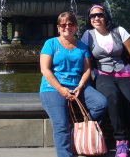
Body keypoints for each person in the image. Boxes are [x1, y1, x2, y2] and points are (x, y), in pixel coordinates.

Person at [81, 5, 130, 157]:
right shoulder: (88, 35)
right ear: (89, 19)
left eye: (99, 15)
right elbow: (84, 61)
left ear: (106, 16)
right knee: (112, 96)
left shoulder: (119, 31)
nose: (96, 18)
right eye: (93, 16)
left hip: (124, 74)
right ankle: (121, 141)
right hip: (103, 75)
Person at [39, 12, 107, 157]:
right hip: (53, 88)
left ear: (75, 27)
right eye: (63, 25)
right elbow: (44, 69)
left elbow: (87, 69)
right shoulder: (50, 43)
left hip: (78, 86)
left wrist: (81, 85)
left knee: (101, 103)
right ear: (58, 27)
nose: (67, 27)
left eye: (70, 24)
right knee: (61, 125)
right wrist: (61, 89)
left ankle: (79, 130)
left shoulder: (82, 46)